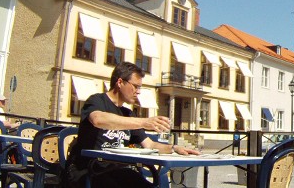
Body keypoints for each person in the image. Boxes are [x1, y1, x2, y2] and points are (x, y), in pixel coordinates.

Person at [68, 62, 200, 187]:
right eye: (135, 86)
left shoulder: (128, 114)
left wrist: (174, 148)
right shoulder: (97, 101)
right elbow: (98, 120)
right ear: (120, 82)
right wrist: (144, 122)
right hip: (88, 170)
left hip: (117, 171)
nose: (138, 92)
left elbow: (150, 144)